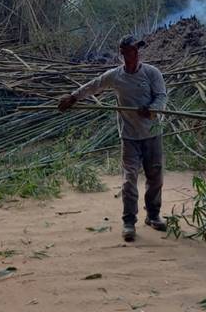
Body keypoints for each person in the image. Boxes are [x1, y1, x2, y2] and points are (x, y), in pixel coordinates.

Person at [58, 35, 168, 242]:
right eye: (125, 52)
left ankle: (153, 215)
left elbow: (162, 96)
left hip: (152, 133)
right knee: (129, 179)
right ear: (122, 53)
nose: (130, 56)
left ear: (138, 53)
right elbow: (94, 85)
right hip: (129, 135)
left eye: (133, 52)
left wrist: (152, 110)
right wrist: (72, 97)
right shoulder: (115, 76)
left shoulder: (152, 73)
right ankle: (129, 222)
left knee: (155, 177)